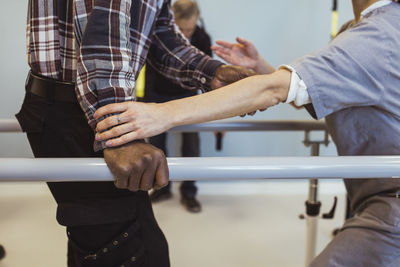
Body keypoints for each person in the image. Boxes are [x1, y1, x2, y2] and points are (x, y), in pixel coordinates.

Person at [94, 0, 400, 266]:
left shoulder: (377, 35)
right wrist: (262, 67)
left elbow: (272, 91)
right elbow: (312, 92)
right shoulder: (358, 29)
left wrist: (163, 113)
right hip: (373, 198)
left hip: (392, 207)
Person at [17, 0, 253, 266]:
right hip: (84, 108)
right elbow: (103, 34)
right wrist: (115, 126)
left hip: (98, 104)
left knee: (99, 240)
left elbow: (160, 36)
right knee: (129, 248)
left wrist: (212, 72)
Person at [143, 0, 212, 213]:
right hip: (158, 95)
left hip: (189, 98)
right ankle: (163, 188)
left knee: (191, 146)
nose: (185, 34)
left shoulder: (202, 38)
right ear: (173, 22)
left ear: (197, 19)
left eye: (189, 29)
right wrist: (147, 103)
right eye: (181, 30)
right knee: (156, 146)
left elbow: (207, 76)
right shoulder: (159, 36)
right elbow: (149, 70)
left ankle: (189, 192)